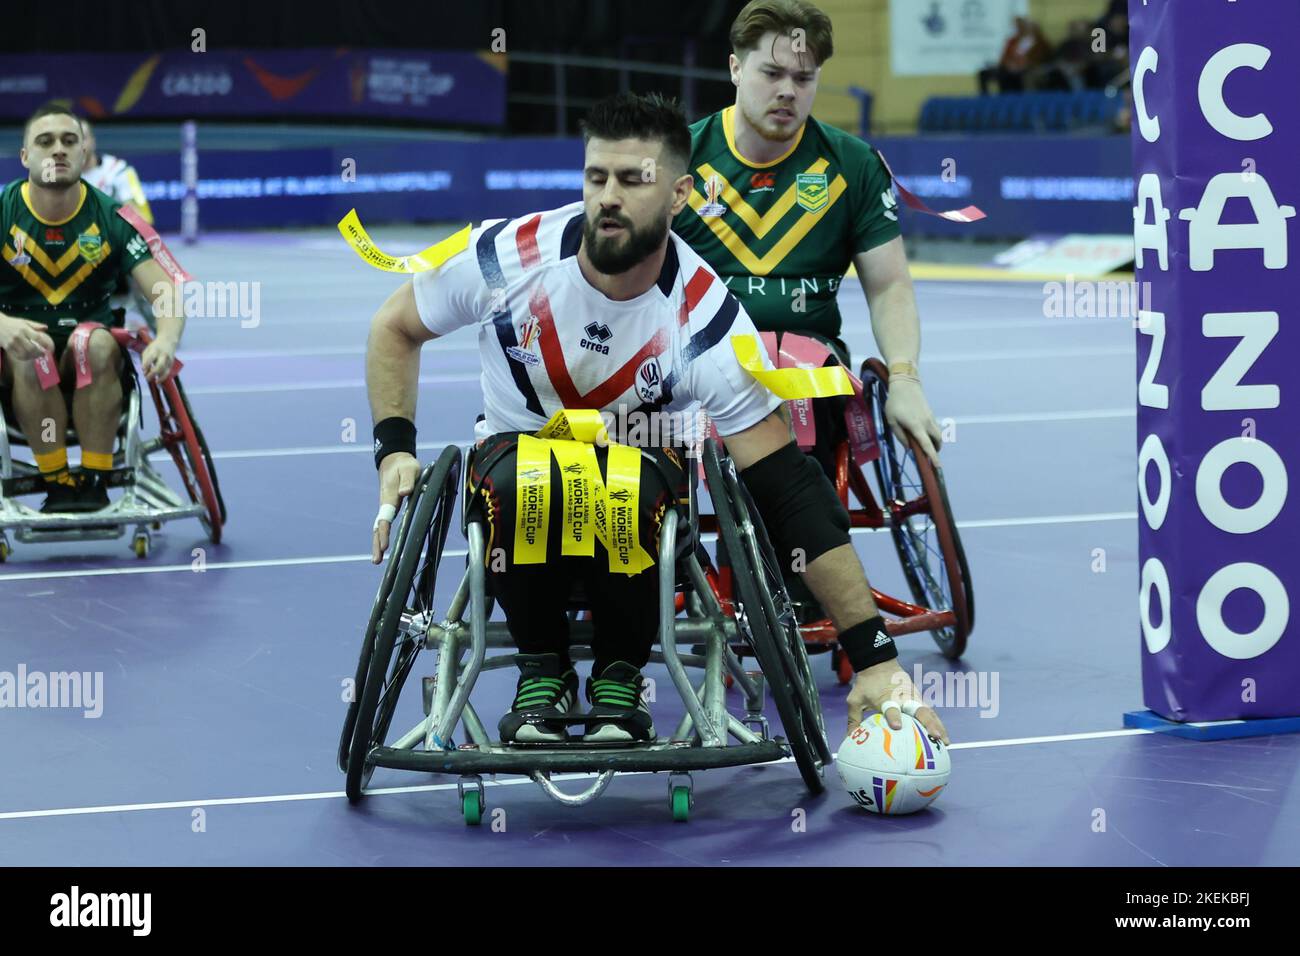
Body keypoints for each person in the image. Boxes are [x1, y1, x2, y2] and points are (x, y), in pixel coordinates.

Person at [364, 92, 948, 748]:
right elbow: (394, 327)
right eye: (596, 177)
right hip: (515, 456)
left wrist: (878, 660)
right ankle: (542, 668)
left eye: (633, 180)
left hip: (641, 470)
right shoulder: (509, 255)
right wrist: (393, 450)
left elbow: (789, 490)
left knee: (625, 486)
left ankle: (621, 672)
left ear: (678, 196)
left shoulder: (707, 320)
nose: (608, 197)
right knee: (531, 480)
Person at [671, 0, 943, 621]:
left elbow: (890, 285)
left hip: (807, 367)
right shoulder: (680, 160)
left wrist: (904, 378)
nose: (788, 91)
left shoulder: (852, 165)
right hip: (695, 363)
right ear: (735, 68)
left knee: (803, 393)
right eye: (772, 74)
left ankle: (793, 574)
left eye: (804, 78)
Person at [0, 104, 181, 512]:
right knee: (34, 352)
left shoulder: (117, 217)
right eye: (45, 142)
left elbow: (165, 291)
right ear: (26, 157)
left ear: (85, 154)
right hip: (22, 359)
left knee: (93, 344)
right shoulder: (2, 212)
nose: (58, 150)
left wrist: (167, 340)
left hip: (92, 351)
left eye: (69, 141)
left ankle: (94, 478)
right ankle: (59, 480)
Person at [978, 16, 1052, 95]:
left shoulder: (1041, 43)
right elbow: (1005, 57)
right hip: (1010, 67)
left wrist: (1022, 65)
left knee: (1020, 76)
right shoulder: (1013, 41)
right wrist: (1008, 64)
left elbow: (1039, 59)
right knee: (995, 73)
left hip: (1027, 68)